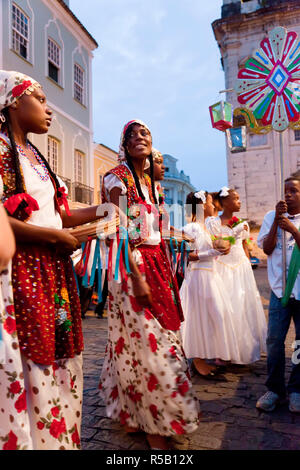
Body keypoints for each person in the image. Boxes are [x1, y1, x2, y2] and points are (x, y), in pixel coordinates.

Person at [0, 70, 104, 449]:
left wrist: (104, 209)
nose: (49, 110)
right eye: (40, 99)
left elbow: (62, 213)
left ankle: (54, 437)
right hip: (21, 271)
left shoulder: (38, 159)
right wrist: (52, 237)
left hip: (53, 271)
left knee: (56, 350)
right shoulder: (0, 152)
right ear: (13, 101)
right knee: (28, 355)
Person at [99, 119, 200, 450]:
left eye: (146, 134)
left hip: (157, 266)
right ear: (125, 144)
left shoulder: (151, 184)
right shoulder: (119, 179)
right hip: (133, 267)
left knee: (139, 345)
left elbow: (156, 230)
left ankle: (133, 413)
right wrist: (138, 277)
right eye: (133, 135)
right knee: (148, 344)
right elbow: (120, 229)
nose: (140, 138)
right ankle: (155, 420)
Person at [180, 191, 239, 376]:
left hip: (211, 276)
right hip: (198, 277)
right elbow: (187, 255)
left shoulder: (206, 228)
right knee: (199, 318)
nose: (214, 206)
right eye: (211, 203)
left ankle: (205, 356)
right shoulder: (191, 228)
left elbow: (215, 248)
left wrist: (224, 247)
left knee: (216, 316)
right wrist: (213, 253)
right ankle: (197, 360)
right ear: (202, 204)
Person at [205, 187, 267, 364]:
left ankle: (242, 351)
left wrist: (247, 266)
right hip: (221, 267)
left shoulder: (243, 224)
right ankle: (222, 351)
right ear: (225, 202)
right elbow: (212, 243)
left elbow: (246, 247)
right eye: (236, 198)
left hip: (240, 267)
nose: (240, 202)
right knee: (223, 308)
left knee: (241, 308)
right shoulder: (213, 223)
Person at [256, 175, 300, 413]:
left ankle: (296, 389)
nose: (288, 195)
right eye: (285, 191)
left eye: (293, 191)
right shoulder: (271, 217)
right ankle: (275, 389)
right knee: (274, 341)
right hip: (278, 290)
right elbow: (267, 248)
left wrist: (293, 229)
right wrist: (277, 222)